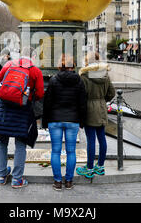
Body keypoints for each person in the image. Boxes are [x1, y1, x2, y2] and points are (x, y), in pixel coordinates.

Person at [0, 47, 44, 189]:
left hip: (4, 109)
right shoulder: (35, 71)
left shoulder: (8, 65)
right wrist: (27, 97)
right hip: (22, 110)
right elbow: (40, 94)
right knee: (20, 144)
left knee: (2, 141)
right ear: (33, 56)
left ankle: (1, 175)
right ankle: (17, 179)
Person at [42, 54, 87, 191]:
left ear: (60, 65)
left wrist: (45, 121)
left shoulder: (54, 80)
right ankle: (68, 180)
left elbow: (47, 102)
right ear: (72, 65)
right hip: (72, 120)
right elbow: (82, 103)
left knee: (55, 151)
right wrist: (82, 121)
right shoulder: (79, 80)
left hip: (55, 119)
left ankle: (57, 181)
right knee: (71, 151)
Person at [76, 51, 115, 178]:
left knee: (91, 140)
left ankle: (89, 167)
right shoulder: (105, 75)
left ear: (87, 61)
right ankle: (101, 166)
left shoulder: (84, 76)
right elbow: (112, 93)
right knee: (102, 137)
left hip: (89, 109)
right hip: (102, 107)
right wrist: (103, 100)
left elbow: (81, 95)